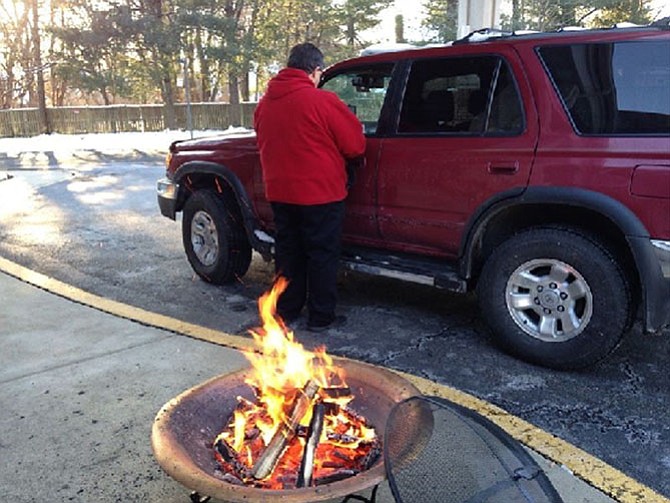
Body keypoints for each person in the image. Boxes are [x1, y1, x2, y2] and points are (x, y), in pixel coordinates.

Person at [253, 42, 366, 332]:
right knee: (321, 254)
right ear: (315, 72)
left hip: (280, 193)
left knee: (289, 253)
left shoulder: (265, 105)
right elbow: (355, 145)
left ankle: (288, 310)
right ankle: (320, 316)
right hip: (320, 194)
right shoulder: (322, 101)